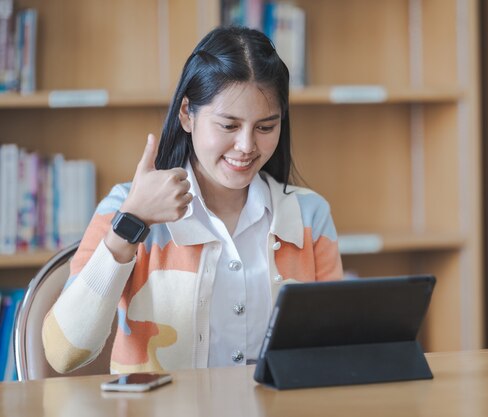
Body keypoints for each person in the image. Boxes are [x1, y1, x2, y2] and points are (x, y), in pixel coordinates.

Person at [42, 26, 343, 374]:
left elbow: (332, 350)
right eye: (229, 126)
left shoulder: (309, 215)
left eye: (265, 127)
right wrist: (132, 223)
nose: (247, 146)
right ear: (187, 114)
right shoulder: (126, 206)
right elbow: (63, 353)